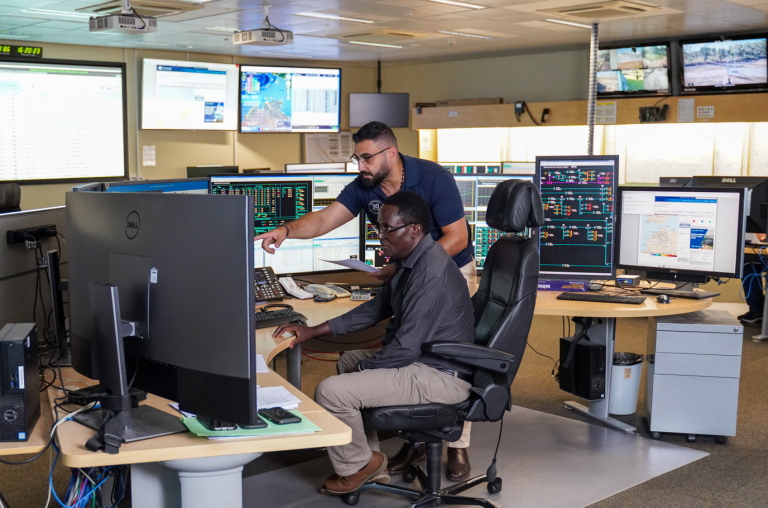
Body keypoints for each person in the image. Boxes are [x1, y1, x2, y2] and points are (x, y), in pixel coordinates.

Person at [256, 121, 477, 479]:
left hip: (447, 267)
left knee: (442, 345)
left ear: (390, 153)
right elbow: (327, 218)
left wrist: (415, 264)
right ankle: (377, 457)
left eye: (366, 158)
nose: (360, 166)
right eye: (356, 158)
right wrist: (286, 231)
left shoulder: (434, 178)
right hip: (412, 265)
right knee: (367, 355)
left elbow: (457, 236)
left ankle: (456, 445)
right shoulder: (366, 185)